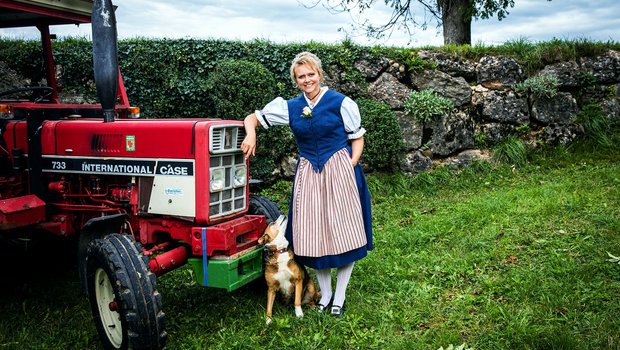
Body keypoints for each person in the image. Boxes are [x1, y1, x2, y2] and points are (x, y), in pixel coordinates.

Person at [241, 51, 373, 317]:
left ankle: (341, 295)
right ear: (296, 80)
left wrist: (349, 166)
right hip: (309, 176)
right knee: (316, 237)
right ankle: (326, 295)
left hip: (339, 172)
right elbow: (252, 118)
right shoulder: (289, 107)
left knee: (344, 233)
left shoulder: (340, 102)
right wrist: (251, 134)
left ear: (319, 74)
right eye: (301, 76)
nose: (307, 80)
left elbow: (357, 138)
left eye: (311, 74)